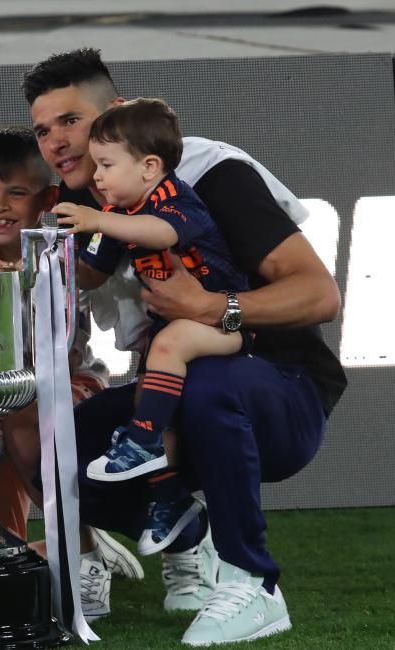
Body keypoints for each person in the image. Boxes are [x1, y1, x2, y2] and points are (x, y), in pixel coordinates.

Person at [24, 48, 346, 645]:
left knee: (206, 382)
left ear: (117, 113)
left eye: (71, 120)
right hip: (174, 388)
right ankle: (183, 527)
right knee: (53, 444)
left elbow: (320, 294)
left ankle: (254, 580)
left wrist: (209, 307)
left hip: (280, 385)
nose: (58, 143)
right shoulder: (88, 203)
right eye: (43, 131)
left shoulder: (208, 171)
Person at [54, 97, 252, 555]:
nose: (96, 176)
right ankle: (167, 498)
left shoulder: (178, 200)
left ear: (149, 167)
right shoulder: (117, 219)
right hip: (168, 334)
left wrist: (96, 218)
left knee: (166, 351)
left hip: (224, 322)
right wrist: (49, 261)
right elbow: (90, 273)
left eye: (105, 165)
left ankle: (142, 444)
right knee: (146, 398)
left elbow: (161, 234)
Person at [0, 126, 144, 623]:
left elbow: (56, 354)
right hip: (5, 392)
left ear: (46, 198)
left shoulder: (57, 252)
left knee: (25, 411)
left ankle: (83, 551)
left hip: (70, 384)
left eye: (16, 193)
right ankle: (9, 551)